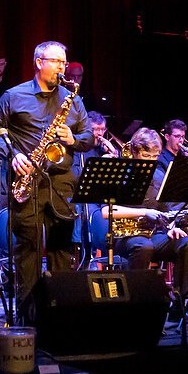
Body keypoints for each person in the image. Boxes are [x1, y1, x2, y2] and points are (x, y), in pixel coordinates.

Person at [0, 40, 93, 326]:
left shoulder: (73, 99)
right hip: (27, 182)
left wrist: (74, 139)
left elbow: (89, 138)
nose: (62, 67)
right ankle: (28, 318)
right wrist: (13, 154)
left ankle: (62, 317)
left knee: (61, 249)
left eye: (64, 63)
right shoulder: (13, 95)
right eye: (56, 62)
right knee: (28, 250)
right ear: (39, 62)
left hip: (62, 183)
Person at [101, 127, 188, 320]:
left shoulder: (158, 175)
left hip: (154, 233)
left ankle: (179, 304)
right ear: (134, 152)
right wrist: (145, 212)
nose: (151, 161)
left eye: (155, 156)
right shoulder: (120, 172)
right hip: (125, 234)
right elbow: (106, 212)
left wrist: (171, 227)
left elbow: (165, 211)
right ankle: (136, 306)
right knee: (143, 246)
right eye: (146, 156)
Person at [71, 110, 119, 266]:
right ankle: (86, 259)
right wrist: (99, 164)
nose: (100, 134)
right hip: (81, 199)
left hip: (100, 199)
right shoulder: (80, 148)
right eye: (95, 129)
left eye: (102, 129)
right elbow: (75, 175)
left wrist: (115, 155)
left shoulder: (102, 149)